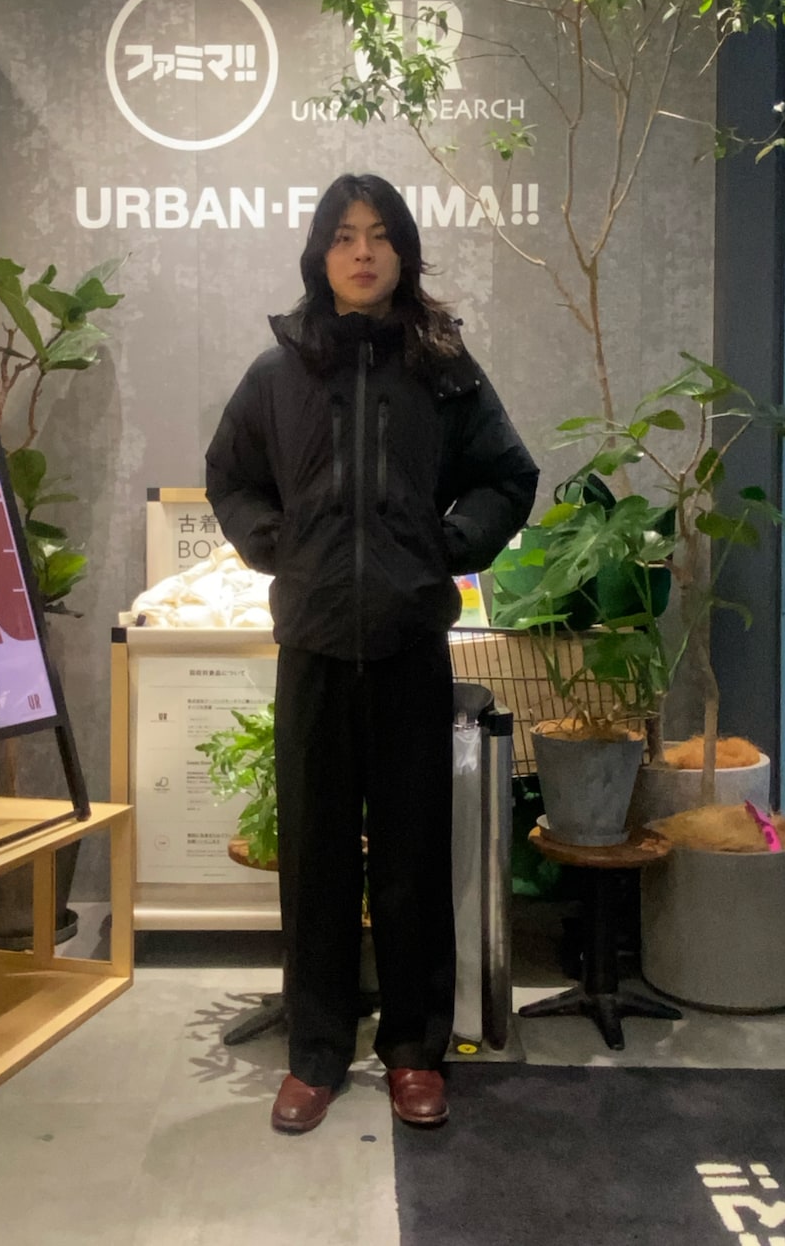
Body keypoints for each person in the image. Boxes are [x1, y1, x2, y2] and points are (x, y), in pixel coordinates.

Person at [205, 172, 538, 1134]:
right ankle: (315, 1052)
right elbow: (230, 475)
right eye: (345, 235)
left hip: (406, 645)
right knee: (314, 858)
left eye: (380, 234)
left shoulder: (443, 368)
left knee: (410, 856)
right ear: (321, 253)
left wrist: (448, 543)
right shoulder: (277, 374)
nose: (362, 251)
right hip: (312, 645)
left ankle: (413, 1050)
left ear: (403, 253)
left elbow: (507, 474)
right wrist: (278, 546)